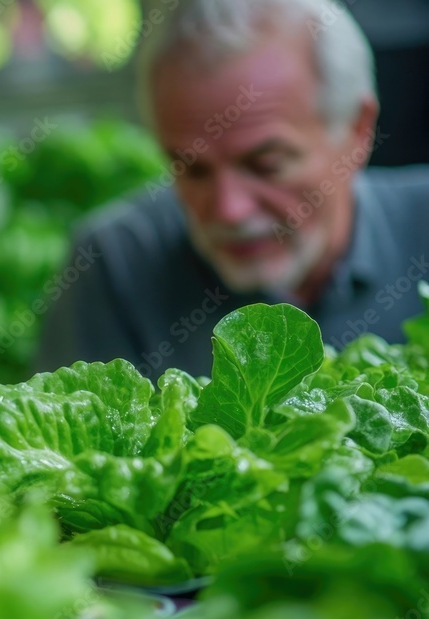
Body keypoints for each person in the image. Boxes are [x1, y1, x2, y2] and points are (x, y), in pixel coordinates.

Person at [37, 0, 429, 379]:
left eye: (265, 165)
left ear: (358, 131)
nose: (230, 210)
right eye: (192, 170)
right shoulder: (116, 266)